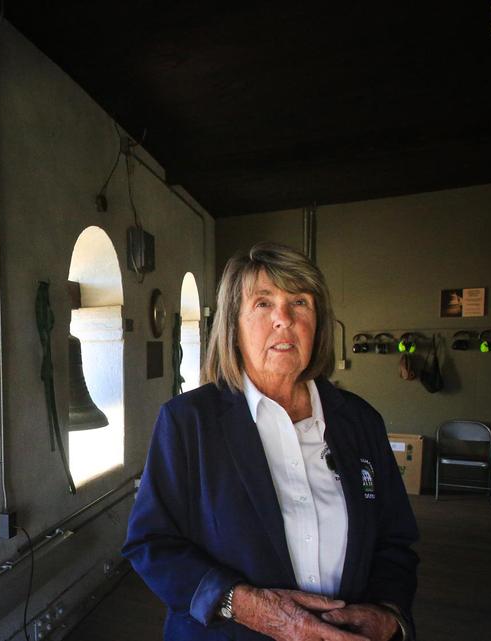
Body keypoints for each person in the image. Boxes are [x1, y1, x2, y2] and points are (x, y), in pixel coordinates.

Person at [122, 243, 418, 641]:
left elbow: (395, 539)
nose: (284, 319)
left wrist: (387, 612)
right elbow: (151, 543)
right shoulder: (188, 422)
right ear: (233, 325)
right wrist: (243, 604)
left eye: (300, 302)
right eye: (263, 303)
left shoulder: (359, 421)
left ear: (318, 323)